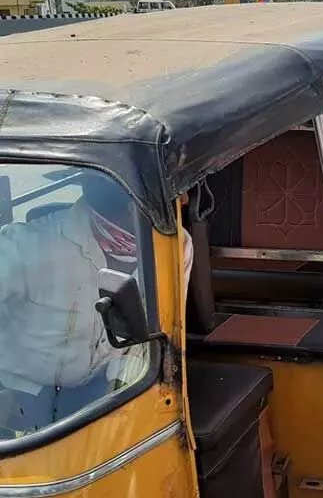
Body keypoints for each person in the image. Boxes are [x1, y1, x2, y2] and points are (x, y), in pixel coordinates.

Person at [0, 173, 193, 438]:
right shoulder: (27, 245)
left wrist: (126, 395)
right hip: (18, 398)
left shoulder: (175, 244)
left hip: (101, 390)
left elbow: (159, 334)